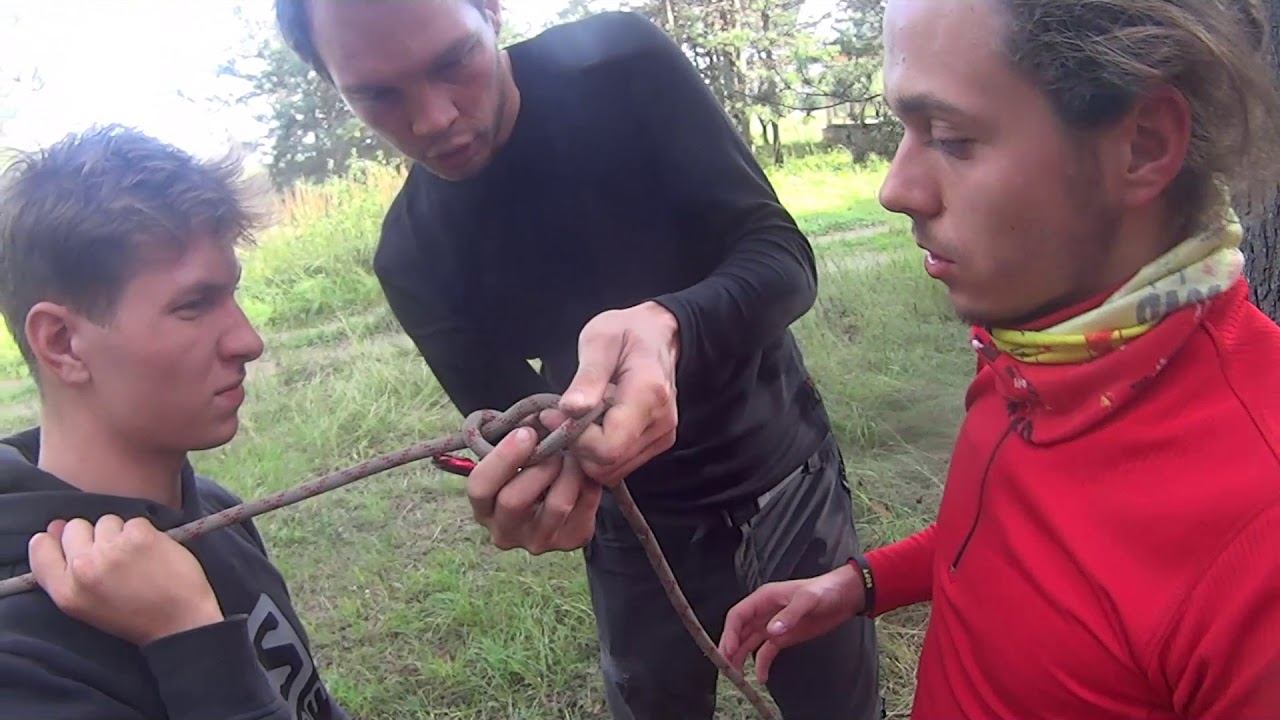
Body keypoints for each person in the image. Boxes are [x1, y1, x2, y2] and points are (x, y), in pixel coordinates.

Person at [274, 2, 881, 717]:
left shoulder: (619, 64)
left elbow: (782, 258)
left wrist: (671, 325)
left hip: (783, 469)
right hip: (635, 524)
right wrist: (536, 490)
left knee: (834, 705)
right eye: (378, 93)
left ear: (492, 12)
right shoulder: (414, 258)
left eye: (452, 63)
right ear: (334, 85)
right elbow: (525, 439)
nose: (433, 117)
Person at [719, 1, 1280, 719]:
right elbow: (1019, 539)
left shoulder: (1256, 534)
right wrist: (863, 584)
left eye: (950, 137)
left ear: (1141, 145)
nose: (896, 189)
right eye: (903, 130)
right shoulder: (1043, 345)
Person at [0, 126, 349, 719]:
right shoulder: (21, 653)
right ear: (62, 343)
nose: (250, 341)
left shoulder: (215, 512)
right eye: (192, 305)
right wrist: (189, 639)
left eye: (233, 295)